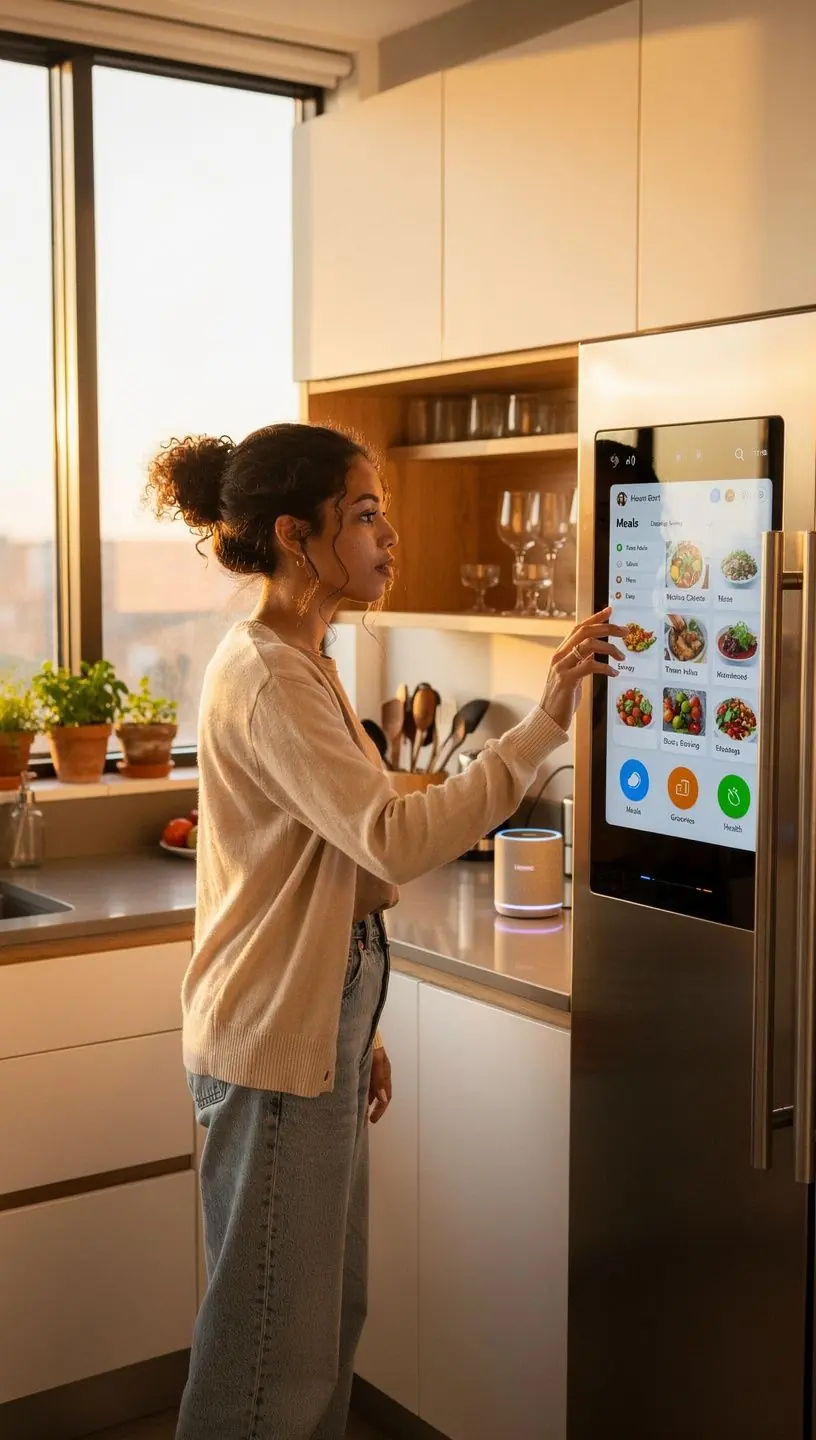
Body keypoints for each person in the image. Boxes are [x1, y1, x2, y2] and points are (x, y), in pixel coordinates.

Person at [146, 422, 624, 1440]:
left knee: (316, 1340)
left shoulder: (303, 657)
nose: (387, 536)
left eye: (384, 512)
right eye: (362, 515)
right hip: (275, 1054)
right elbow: (395, 840)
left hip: (307, 1037)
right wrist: (540, 724)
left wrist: (352, 1023)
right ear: (295, 535)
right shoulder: (274, 673)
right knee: (266, 1366)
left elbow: (341, 866)